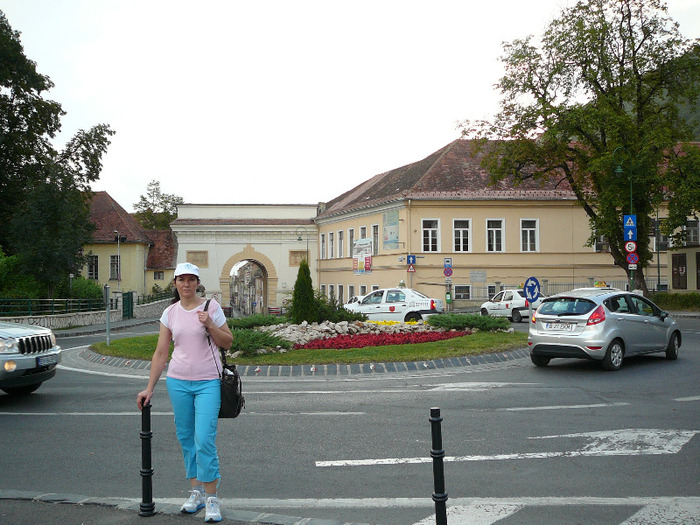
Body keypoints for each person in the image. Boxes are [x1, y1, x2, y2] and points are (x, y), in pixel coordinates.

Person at [137, 262, 233, 523]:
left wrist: (211, 325)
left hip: (208, 383)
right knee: (187, 438)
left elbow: (228, 341)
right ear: (175, 283)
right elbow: (160, 353)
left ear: (198, 283)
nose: (187, 284)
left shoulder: (210, 307)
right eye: (182, 279)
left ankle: (212, 498)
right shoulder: (170, 313)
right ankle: (196, 492)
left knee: (204, 439)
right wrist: (149, 388)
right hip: (177, 382)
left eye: (192, 279)